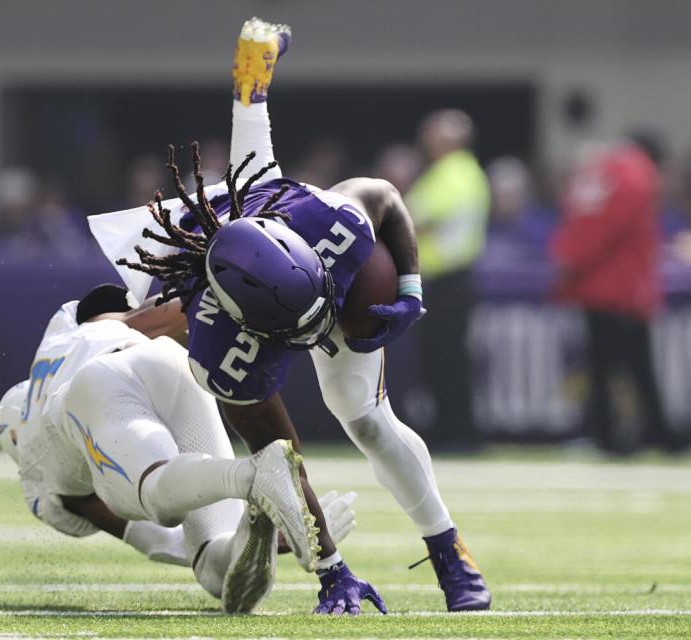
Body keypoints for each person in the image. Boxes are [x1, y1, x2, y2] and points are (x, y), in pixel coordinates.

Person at [93, 17, 489, 614]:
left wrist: (409, 288)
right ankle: (254, 70)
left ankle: (447, 547)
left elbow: (383, 195)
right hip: (212, 269)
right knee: (151, 315)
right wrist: (332, 568)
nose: (313, 337)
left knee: (366, 420)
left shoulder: (332, 222)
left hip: (273, 215)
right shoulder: (219, 344)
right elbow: (281, 457)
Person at [0, 283, 356, 613]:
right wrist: (207, 285)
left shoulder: (41, 474)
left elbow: (158, 539)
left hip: (100, 384)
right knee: (215, 569)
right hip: (169, 363)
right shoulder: (61, 338)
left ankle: (253, 475)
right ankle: (259, 519)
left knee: (153, 500)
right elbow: (155, 313)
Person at [550, 134, 677, 453]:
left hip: (595, 286)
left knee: (604, 365)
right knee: (635, 366)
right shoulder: (635, 173)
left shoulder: (598, 171)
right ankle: (651, 435)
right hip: (624, 288)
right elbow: (614, 229)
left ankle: (614, 435)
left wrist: (570, 264)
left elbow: (580, 226)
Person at [403, 109, 490, 450]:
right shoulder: (457, 171)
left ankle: (457, 432)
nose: (427, 139)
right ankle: (451, 429)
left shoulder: (454, 172)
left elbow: (418, 219)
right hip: (446, 279)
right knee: (442, 357)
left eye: (434, 133)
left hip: (449, 279)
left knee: (446, 357)